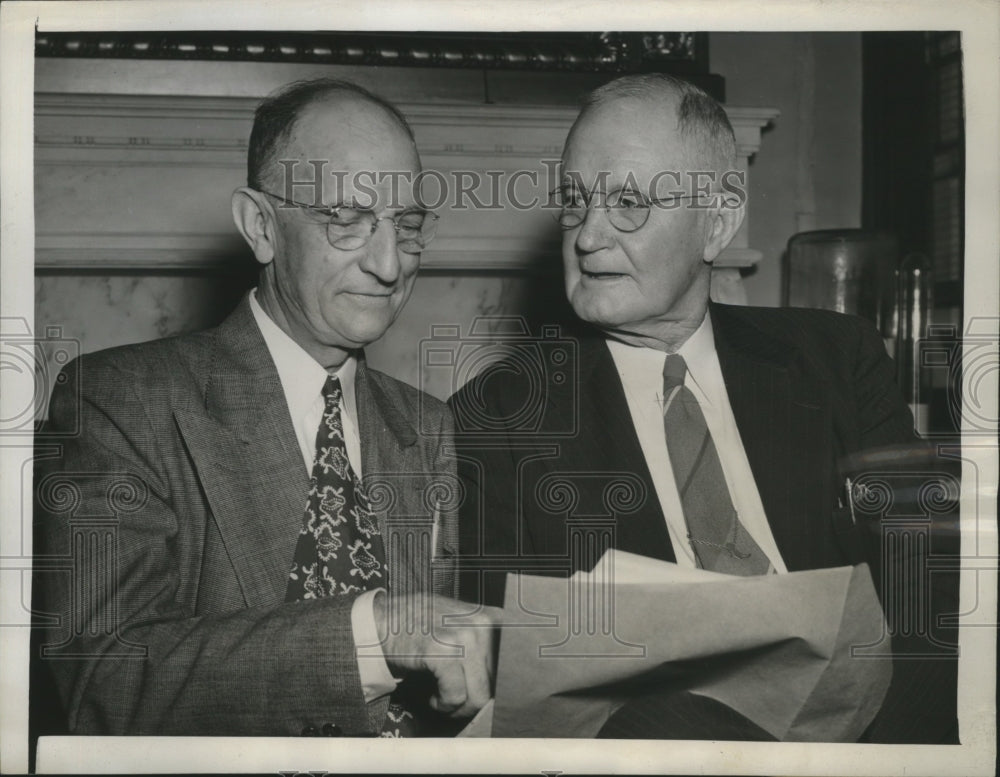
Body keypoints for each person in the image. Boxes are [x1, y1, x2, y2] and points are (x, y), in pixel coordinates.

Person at [450, 73, 958, 743]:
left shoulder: (838, 357)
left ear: (716, 223)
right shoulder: (500, 416)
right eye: (575, 201)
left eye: (629, 201)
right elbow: (524, 673)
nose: (588, 235)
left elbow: (932, 573)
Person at [34, 78, 499, 737]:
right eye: (346, 219)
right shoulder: (119, 401)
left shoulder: (428, 426)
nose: (390, 263)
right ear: (261, 226)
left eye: (407, 225)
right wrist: (374, 631)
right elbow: (103, 680)